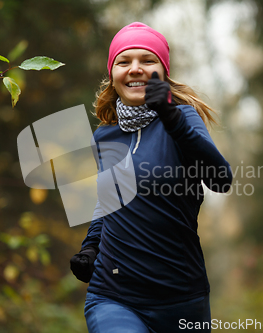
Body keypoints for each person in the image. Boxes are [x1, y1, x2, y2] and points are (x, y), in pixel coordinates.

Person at [70, 22, 232, 333]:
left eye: (147, 60)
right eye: (124, 61)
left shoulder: (182, 118)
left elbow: (220, 179)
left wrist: (172, 118)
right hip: (112, 295)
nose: (135, 69)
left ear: (163, 72)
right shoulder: (105, 136)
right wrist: (91, 246)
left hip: (181, 299)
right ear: (113, 74)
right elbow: (110, 200)